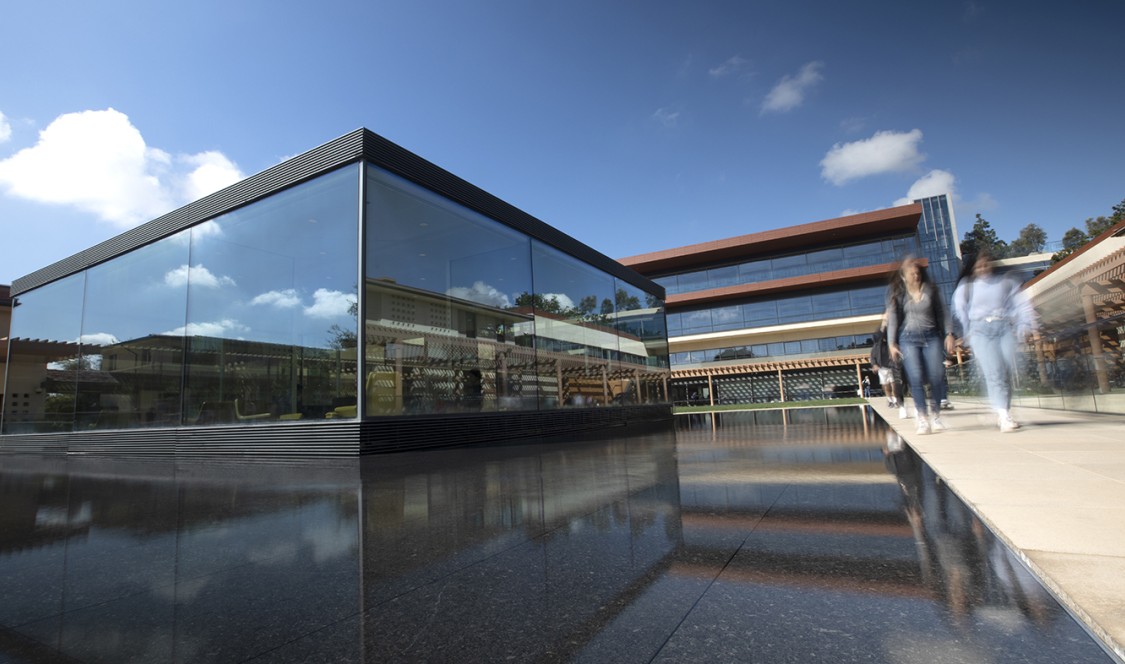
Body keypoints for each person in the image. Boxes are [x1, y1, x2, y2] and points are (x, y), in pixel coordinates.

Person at [952, 250, 1037, 432]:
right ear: (973, 268)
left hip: (1003, 328)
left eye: (986, 264)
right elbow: (959, 312)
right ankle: (1003, 415)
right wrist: (966, 333)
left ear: (991, 265)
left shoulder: (1005, 283)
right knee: (994, 372)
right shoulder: (966, 287)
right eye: (979, 266)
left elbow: (1021, 305)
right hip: (980, 331)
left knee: (1006, 370)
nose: (983, 268)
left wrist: (1025, 325)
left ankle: (1004, 410)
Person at [887, 256, 955, 435]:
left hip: (932, 337)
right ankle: (923, 418)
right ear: (904, 276)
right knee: (915, 378)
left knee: (936, 376)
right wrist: (892, 343)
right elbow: (893, 320)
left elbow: (943, 313)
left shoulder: (931, 290)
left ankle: (936, 416)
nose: (916, 276)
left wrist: (949, 334)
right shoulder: (899, 295)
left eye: (917, 273)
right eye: (912, 274)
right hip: (908, 339)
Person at [869, 313, 907, 418]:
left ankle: (896, 400)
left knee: (894, 383)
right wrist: (874, 364)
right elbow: (872, 356)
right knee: (886, 386)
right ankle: (889, 399)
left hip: (892, 366)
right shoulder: (877, 345)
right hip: (882, 367)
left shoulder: (893, 340)